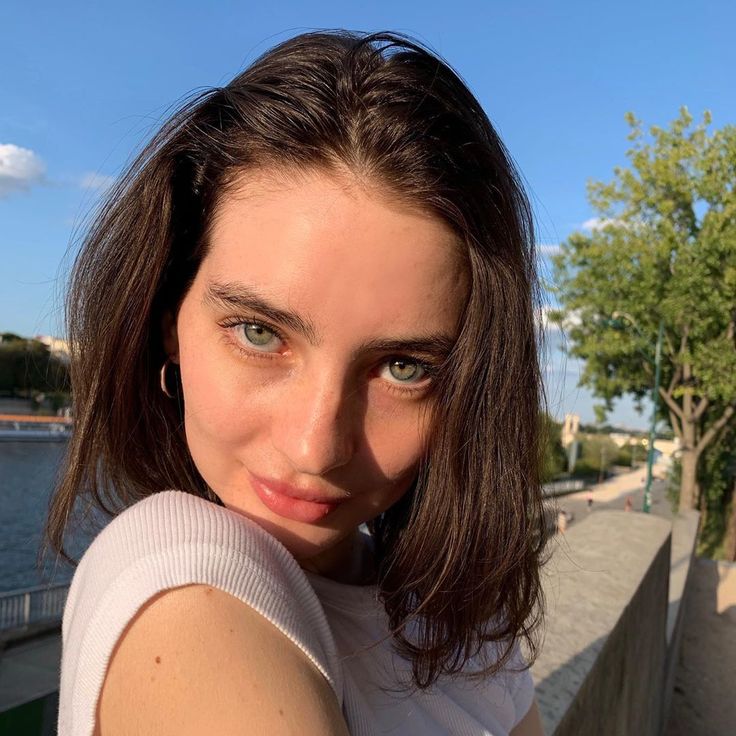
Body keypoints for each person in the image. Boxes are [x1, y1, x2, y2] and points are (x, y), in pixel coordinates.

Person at [41, 31, 548, 736]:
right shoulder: (181, 582)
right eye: (259, 333)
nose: (316, 447)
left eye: (405, 368)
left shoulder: (467, 618)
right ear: (167, 320)